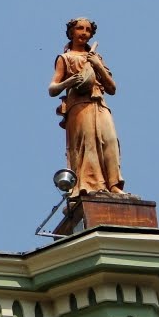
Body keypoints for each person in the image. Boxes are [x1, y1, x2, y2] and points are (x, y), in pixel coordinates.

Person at [48, 18, 124, 196]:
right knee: (87, 144)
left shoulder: (96, 58)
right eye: (80, 28)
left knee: (110, 141)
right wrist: (69, 82)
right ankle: (86, 186)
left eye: (88, 30)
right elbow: (52, 89)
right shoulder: (65, 58)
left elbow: (112, 88)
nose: (84, 32)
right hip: (79, 106)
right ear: (71, 32)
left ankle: (113, 185)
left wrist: (97, 65)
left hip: (99, 103)